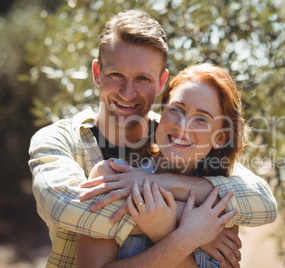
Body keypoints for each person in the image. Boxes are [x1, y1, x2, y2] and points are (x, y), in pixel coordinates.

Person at [28, 9, 277, 268]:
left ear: (161, 83)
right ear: (97, 73)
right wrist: (187, 226)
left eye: (142, 78)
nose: (127, 92)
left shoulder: (188, 150)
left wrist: (155, 187)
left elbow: (261, 201)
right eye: (116, 75)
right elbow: (63, 207)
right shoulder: (62, 143)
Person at [78, 63, 249, 267]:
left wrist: (166, 232)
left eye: (202, 119)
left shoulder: (220, 204)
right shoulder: (113, 175)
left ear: (220, 138)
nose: (182, 126)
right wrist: (185, 238)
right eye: (176, 109)